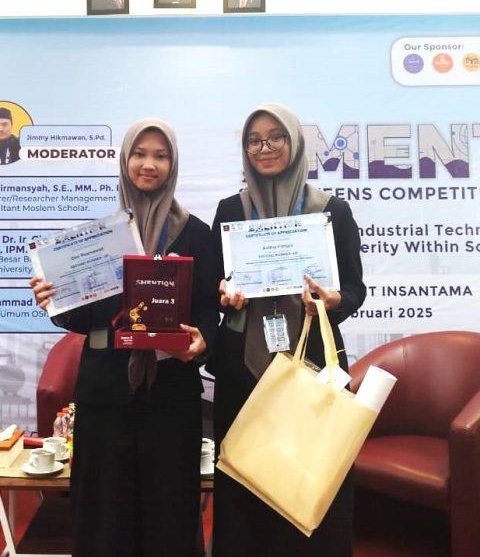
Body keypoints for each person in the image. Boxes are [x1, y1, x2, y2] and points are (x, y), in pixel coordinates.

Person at [30, 118, 218, 557]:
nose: (149, 164)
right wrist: (54, 300)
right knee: (104, 515)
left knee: (169, 512)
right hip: (105, 395)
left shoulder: (196, 233)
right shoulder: (103, 237)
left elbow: (210, 310)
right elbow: (88, 318)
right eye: (140, 153)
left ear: (173, 164)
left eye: (160, 155)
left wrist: (202, 342)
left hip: (171, 395)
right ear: (125, 160)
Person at [207, 103, 366, 557]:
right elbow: (215, 286)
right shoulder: (230, 210)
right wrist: (224, 294)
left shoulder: (331, 211)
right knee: (244, 481)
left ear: (294, 142)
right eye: (254, 140)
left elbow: (355, 289)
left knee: (311, 481)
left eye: (276, 137)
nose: (265, 148)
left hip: (313, 365)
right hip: (242, 371)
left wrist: (333, 301)